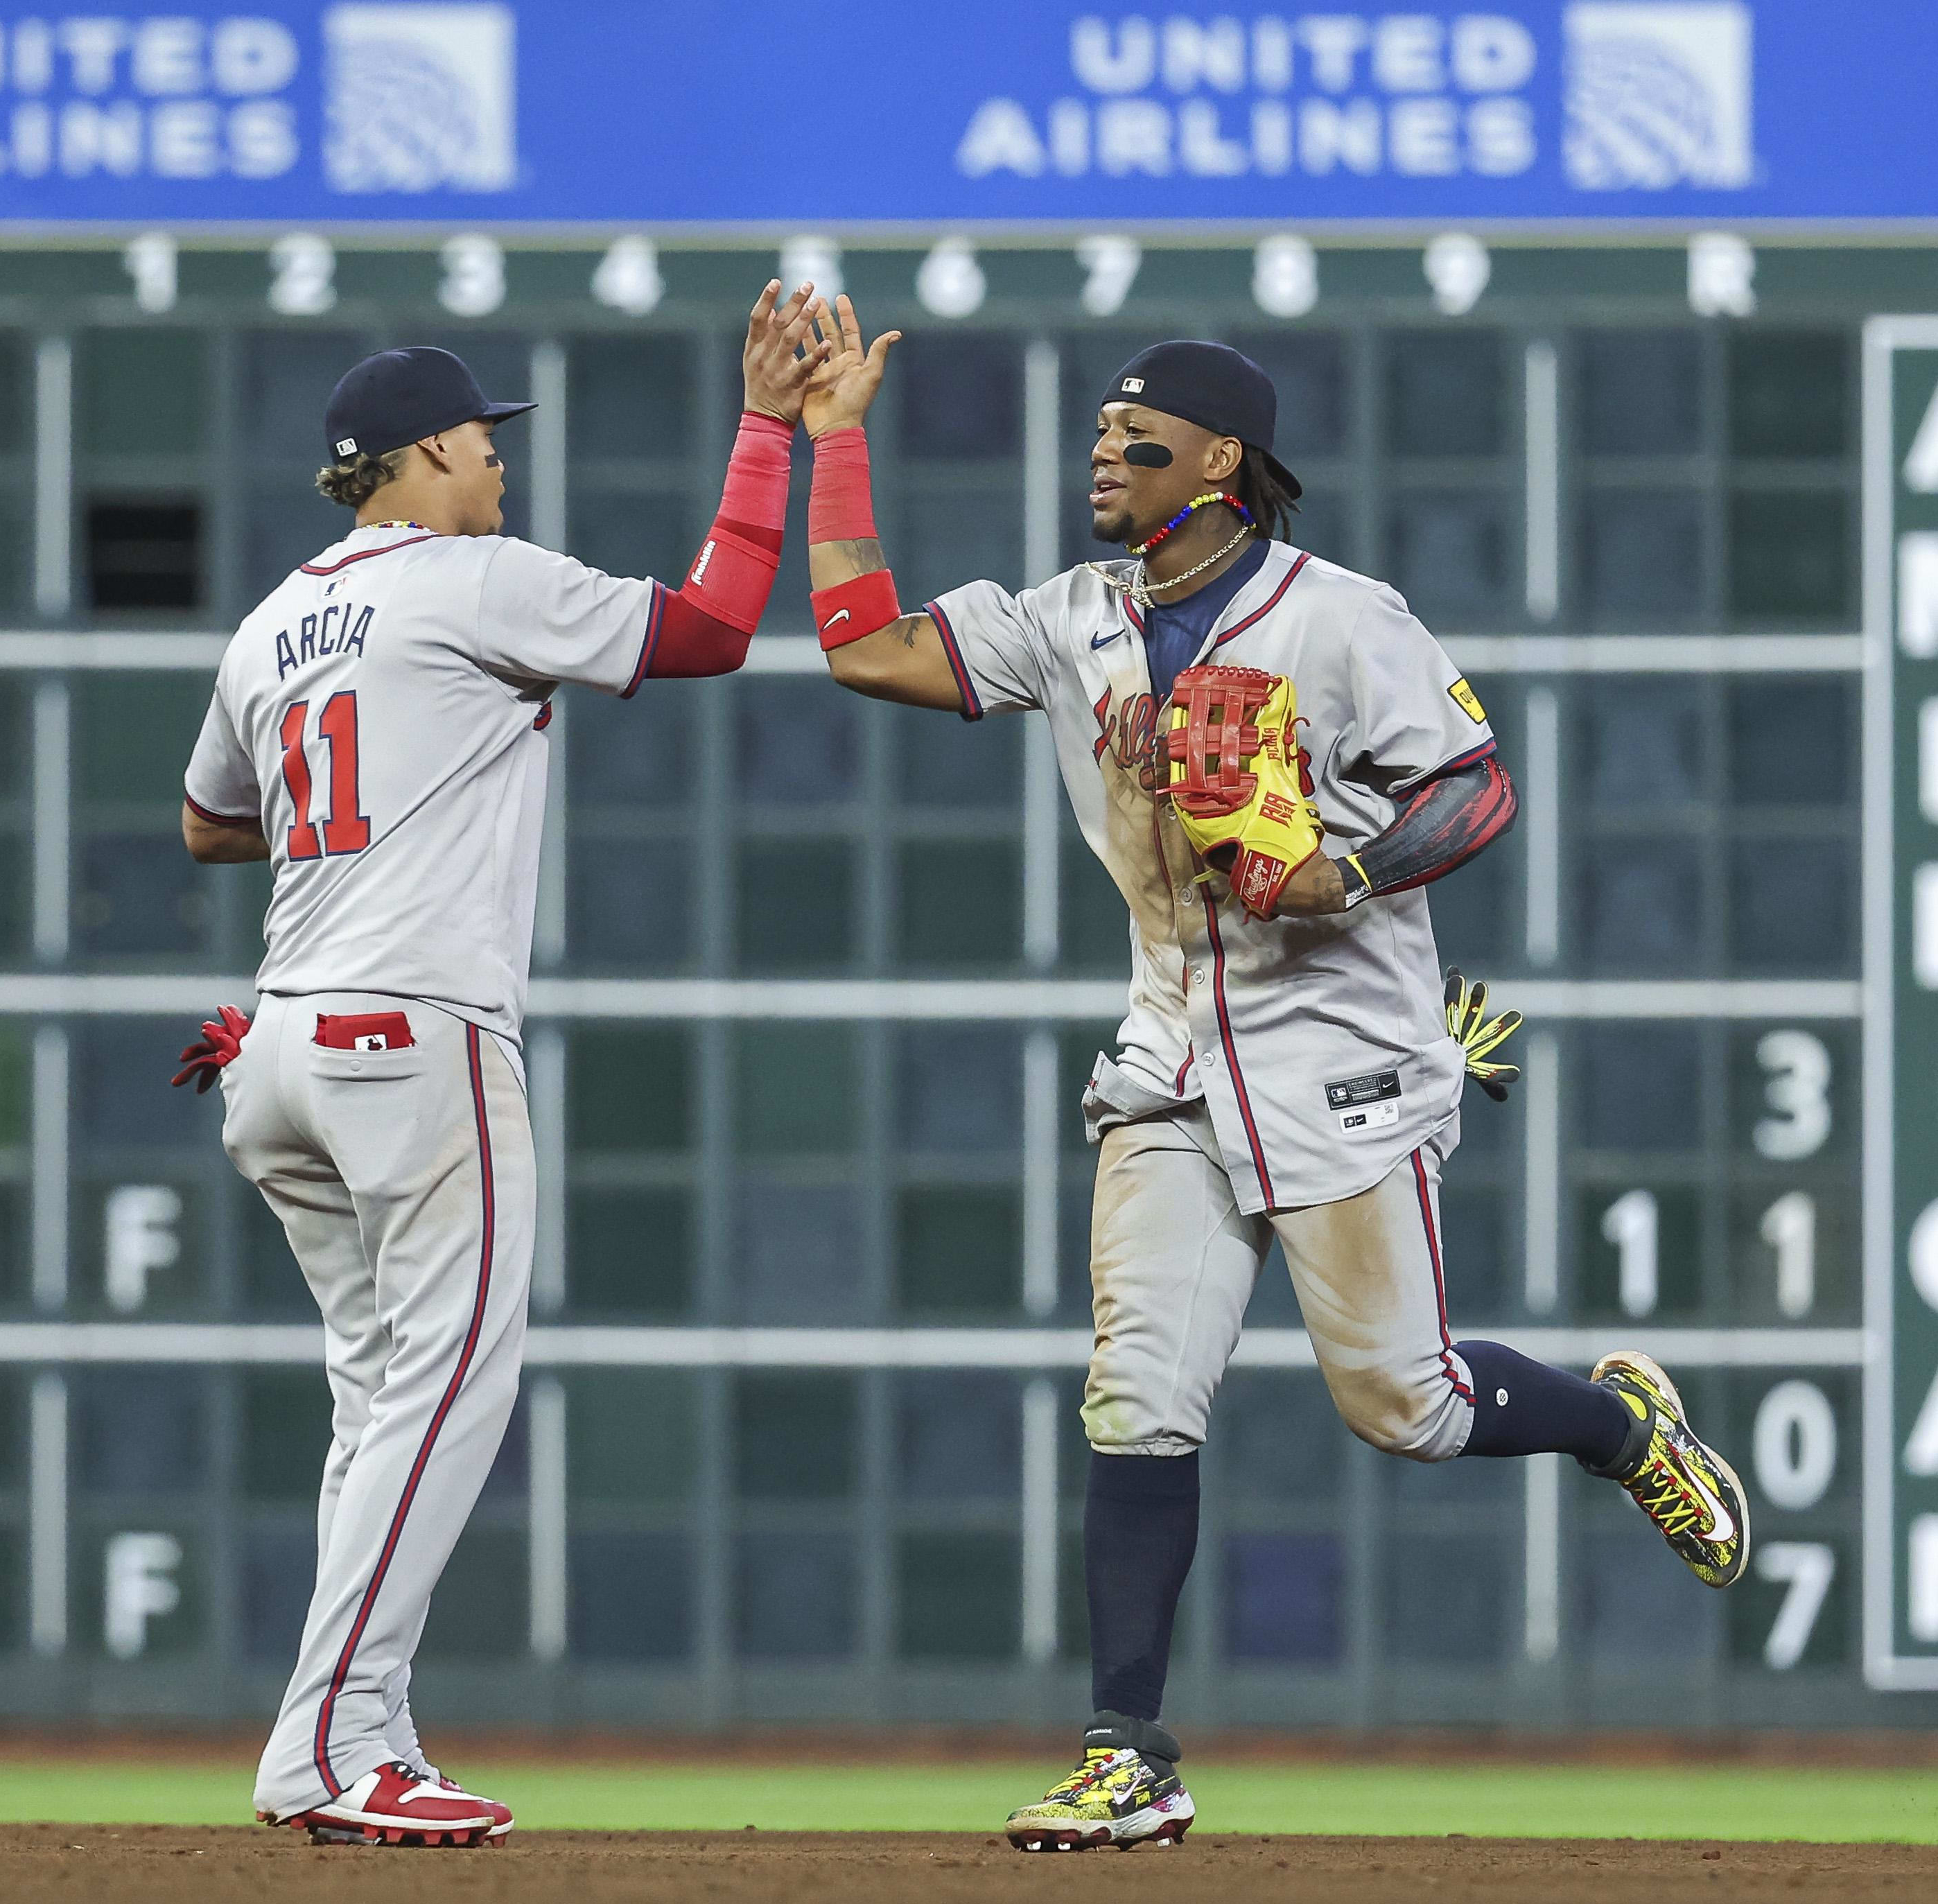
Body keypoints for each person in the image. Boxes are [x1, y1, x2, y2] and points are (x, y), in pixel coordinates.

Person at [793, 303, 1752, 1852]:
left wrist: (1344, 873)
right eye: (1101, 431)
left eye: (1139, 432)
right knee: (1136, 1397)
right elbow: (866, 650)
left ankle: (1616, 1427)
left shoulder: (1338, 616)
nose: (1105, 449)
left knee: (1409, 1407)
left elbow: (1474, 786)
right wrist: (834, 438)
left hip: (1341, 1059)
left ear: (1222, 459)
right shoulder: (1077, 616)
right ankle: (1129, 1756)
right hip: (1172, 1051)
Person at [167, 288, 827, 1845]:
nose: (499, 465)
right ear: (416, 455)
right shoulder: (472, 579)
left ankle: (371, 1726)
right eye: (481, 441)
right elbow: (717, 627)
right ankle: (322, 1751)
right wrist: (764, 430)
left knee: (378, 1401)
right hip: (412, 1035)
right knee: (453, 1385)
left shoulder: (273, 618)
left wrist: (375, 792)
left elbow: (206, 819)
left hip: (274, 1045)